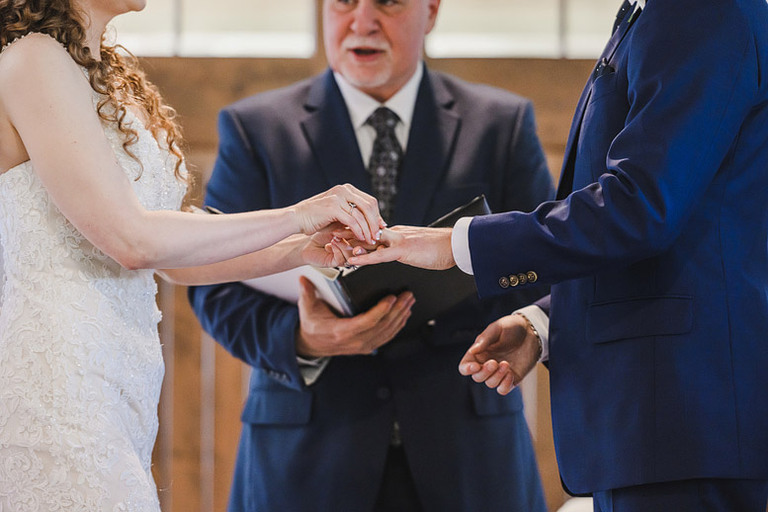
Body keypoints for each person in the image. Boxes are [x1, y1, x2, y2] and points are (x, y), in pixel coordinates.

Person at [347, 0, 768, 510]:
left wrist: (459, 244)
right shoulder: (654, 11)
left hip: (684, 416)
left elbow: (643, 206)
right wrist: (544, 323)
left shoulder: (700, 10)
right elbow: (693, 221)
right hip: (659, 421)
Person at [0, 0, 385, 509]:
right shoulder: (33, 59)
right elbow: (132, 240)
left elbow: (174, 260)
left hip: (119, 382)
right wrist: (297, 215)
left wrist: (301, 249)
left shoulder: (105, 72)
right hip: (57, 378)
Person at [187, 0, 554, 510]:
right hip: (308, 458)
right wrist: (302, 338)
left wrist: (525, 323)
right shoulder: (256, 130)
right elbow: (213, 282)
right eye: (343, 2)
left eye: (387, 2)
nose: (362, 22)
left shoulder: (500, 125)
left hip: (467, 453)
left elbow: (549, 264)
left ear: (431, 11)